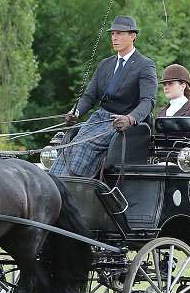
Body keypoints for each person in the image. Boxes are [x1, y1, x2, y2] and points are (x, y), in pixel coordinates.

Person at [50, 15, 158, 177]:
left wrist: (130, 118)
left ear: (132, 36)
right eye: (113, 33)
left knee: (82, 146)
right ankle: (55, 185)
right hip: (99, 119)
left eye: (120, 33)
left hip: (123, 122)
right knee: (68, 144)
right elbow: (89, 97)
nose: (114, 37)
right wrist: (76, 112)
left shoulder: (145, 65)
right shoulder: (104, 65)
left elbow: (148, 102)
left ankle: (73, 187)